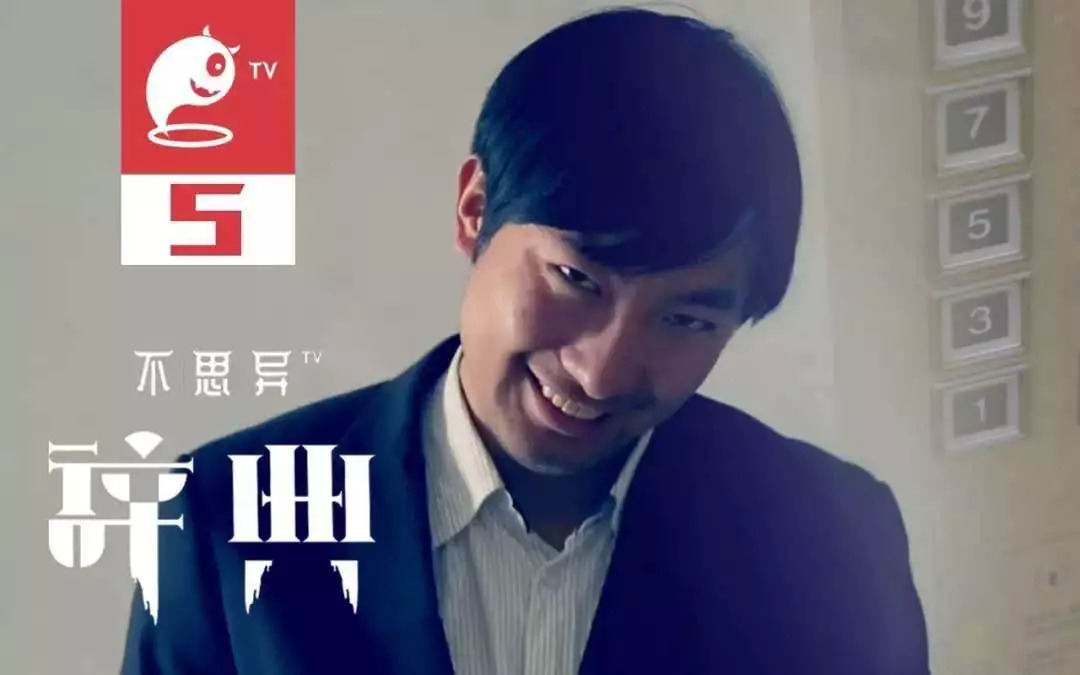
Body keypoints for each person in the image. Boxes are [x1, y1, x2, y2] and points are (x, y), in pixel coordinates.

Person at [121, 7, 929, 674]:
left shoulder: (834, 541)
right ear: (474, 208)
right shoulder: (228, 516)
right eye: (577, 278)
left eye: (685, 318)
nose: (604, 371)